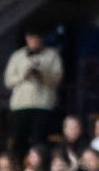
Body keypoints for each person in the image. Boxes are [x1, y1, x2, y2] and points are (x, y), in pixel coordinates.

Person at [4, 28, 62, 156]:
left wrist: (43, 76)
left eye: (37, 39)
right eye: (31, 39)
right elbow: (8, 81)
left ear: (41, 39)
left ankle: (39, 170)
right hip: (20, 105)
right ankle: (18, 169)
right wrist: (22, 76)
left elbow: (57, 78)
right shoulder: (17, 55)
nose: (34, 42)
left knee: (40, 141)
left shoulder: (52, 55)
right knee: (18, 140)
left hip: (43, 105)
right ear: (27, 39)